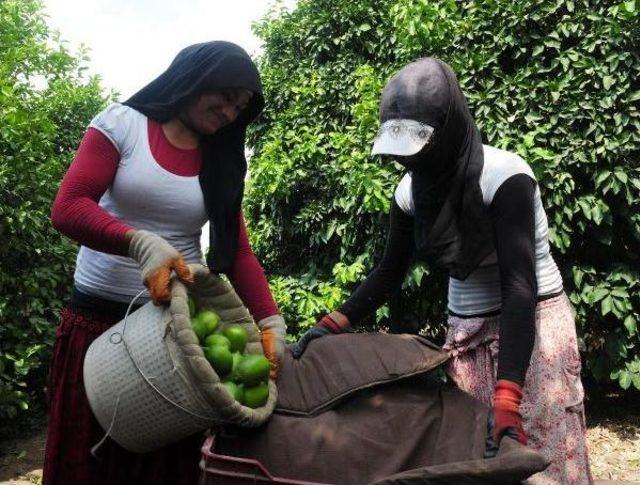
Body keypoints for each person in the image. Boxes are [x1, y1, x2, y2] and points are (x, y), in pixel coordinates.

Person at [292, 58, 592, 484]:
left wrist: (509, 393)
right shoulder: (410, 192)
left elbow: (520, 287)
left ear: (448, 133)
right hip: (467, 331)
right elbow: (389, 271)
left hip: (533, 324)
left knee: (541, 452)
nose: (411, 165)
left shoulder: (504, 177)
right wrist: (332, 324)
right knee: (474, 457)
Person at [44, 41, 286, 485]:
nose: (232, 113)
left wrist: (271, 321)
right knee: (90, 459)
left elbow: (237, 251)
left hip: (174, 331)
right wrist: (139, 243)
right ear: (197, 79)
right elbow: (69, 207)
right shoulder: (123, 125)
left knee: (163, 464)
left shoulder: (222, 157)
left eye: (242, 107)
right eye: (227, 98)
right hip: (98, 326)